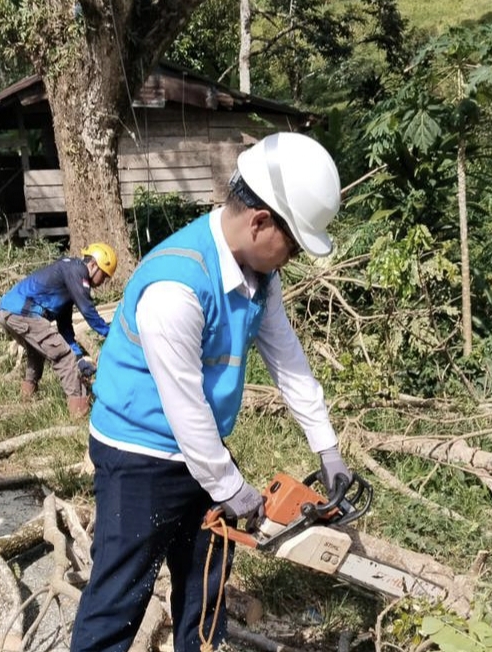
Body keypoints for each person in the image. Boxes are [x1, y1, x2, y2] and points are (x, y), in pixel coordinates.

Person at [69, 132, 352, 652]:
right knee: (119, 594)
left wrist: (327, 448)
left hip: (202, 450)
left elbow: (288, 360)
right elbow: (184, 405)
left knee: (207, 587)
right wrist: (231, 488)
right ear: (259, 222)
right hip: (138, 454)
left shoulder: (259, 276)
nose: (290, 258)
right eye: (292, 245)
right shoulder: (176, 287)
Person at [0, 243, 116, 417]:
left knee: (37, 350)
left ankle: (26, 398)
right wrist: (111, 333)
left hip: (8, 311)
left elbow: (65, 328)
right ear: (93, 265)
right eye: (104, 276)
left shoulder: (68, 278)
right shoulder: (77, 271)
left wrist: (79, 357)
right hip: (21, 312)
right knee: (63, 354)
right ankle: (79, 411)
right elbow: (88, 310)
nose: (103, 281)